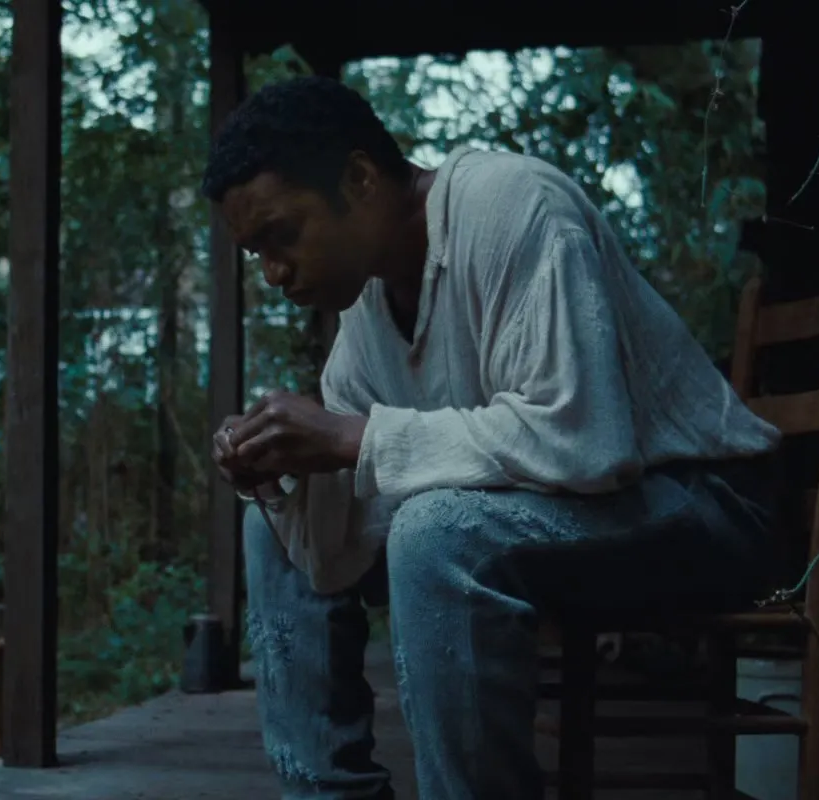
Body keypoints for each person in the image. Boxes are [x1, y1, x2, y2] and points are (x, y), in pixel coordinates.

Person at [202, 75, 784, 799]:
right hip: (561, 511)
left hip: (704, 504)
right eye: (254, 253)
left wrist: (355, 439)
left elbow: (584, 441)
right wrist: (283, 470)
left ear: (359, 178)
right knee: (274, 532)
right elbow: (337, 532)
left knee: (435, 533)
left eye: (281, 236)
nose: (273, 274)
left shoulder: (514, 207)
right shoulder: (365, 308)